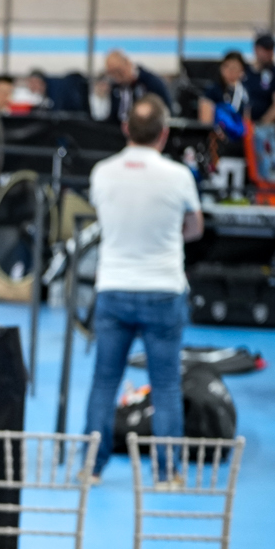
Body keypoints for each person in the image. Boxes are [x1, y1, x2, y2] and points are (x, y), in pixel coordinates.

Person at [82, 97, 203, 471]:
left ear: (125, 129)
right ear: (163, 135)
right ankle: (167, 473)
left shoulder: (102, 172)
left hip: (113, 289)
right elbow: (195, 228)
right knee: (165, 386)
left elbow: (104, 215)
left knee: (105, 382)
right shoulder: (179, 175)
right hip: (163, 291)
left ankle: (90, 468)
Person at [97, 49, 173, 129]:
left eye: (119, 72)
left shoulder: (151, 83)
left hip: (146, 132)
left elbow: (167, 114)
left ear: (127, 63)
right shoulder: (116, 87)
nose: (116, 78)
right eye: (111, 74)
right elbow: (113, 116)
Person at [200, 50, 254, 129]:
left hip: (237, 135)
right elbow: (205, 121)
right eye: (227, 67)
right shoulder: (212, 91)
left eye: (235, 68)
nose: (230, 71)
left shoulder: (244, 92)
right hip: (217, 134)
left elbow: (247, 121)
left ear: (242, 71)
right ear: (221, 68)